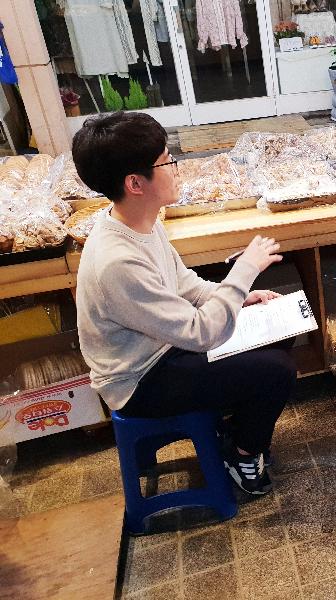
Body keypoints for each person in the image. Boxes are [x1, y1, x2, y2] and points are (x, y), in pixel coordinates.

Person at [73, 112, 296, 496]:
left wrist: (242, 298)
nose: (177, 169)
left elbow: (184, 284)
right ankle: (242, 454)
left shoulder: (142, 223)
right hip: (139, 380)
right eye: (167, 162)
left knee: (279, 327)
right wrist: (243, 273)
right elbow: (200, 332)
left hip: (163, 347)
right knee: (277, 371)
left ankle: (234, 429)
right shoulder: (117, 261)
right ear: (135, 183)